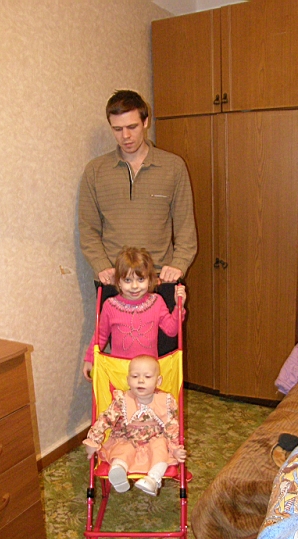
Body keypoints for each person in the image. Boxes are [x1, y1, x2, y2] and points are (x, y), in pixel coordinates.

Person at [78, 89, 197, 354]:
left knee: (162, 365)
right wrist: (101, 265)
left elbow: (186, 227)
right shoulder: (95, 171)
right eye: (117, 129)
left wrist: (178, 265)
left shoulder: (173, 167)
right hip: (114, 282)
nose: (126, 136)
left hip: (160, 282)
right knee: (122, 367)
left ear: (145, 121)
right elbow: (88, 228)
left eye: (132, 127)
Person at [83, 354, 187, 496]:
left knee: (161, 449)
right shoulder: (123, 400)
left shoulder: (165, 401)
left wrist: (175, 449)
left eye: (147, 377)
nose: (141, 380)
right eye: (135, 376)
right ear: (128, 380)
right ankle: (118, 470)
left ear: (158, 381)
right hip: (127, 438)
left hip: (155, 439)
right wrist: (93, 441)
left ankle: (153, 479)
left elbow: (172, 428)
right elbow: (105, 420)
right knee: (123, 450)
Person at [82, 247, 186, 381]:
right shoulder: (110, 306)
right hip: (120, 374)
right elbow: (100, 335)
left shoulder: (157, 302)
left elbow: (171, 330)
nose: (134, 286)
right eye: (128, 280)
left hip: (148, 375)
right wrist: (90, 359)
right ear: (118, 282)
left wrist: (179, 306)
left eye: (141, 279)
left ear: (150, 279)